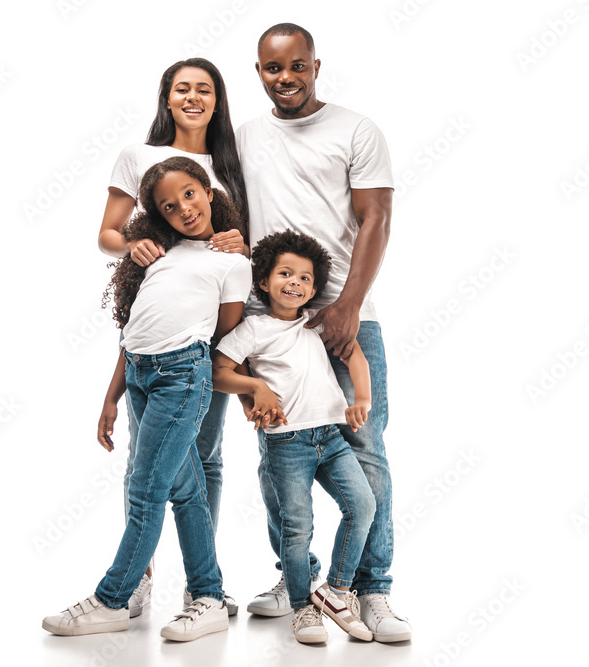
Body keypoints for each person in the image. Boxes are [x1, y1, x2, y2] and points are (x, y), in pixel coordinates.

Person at [236, 23, 412, 642]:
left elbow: (377, 216)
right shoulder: (245, 137)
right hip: (273, 323)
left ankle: (372, 591)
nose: (285, 79)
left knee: (365, 453)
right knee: (278, 455)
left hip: (345, 318)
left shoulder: (356, 130)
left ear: (315, 66)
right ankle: (298, 581)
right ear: (258, 70)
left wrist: (348, 307)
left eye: (297, 67)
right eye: (272, 69)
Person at [43, 158, 249, 641]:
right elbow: (133, 330)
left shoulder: (233, 261)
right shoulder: (161, 253)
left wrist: (235, 384)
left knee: (146, 489)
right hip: (139, 374)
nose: (184, 210)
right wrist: (111, 397)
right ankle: (209, 595)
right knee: (185, 489)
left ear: (209, 191)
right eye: (169, 206)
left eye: (190, 196)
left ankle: (113, 598)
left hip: (182, 376)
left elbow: (226, 335)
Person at [95, 57, 247, 615]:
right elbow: (109, 232)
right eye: (181, 88)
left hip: (213, 324)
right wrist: (130, 247)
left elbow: (236, 239)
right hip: (157, 321)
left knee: (204, 456)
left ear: (217, 99)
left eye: (204, 89)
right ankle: (140, 575)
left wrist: (244, 250)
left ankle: (201, 587)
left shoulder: (232, 162)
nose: (192, 97)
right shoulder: (139, 156)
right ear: (166, 97)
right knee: (151, 459)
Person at [213, 230, 376, 644]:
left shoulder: (316, 323)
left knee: (363, 506)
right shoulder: (253, 329)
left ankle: (336, 590)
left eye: (305, 279)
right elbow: (218, 372)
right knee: (297, 528)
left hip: (331, 436)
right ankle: (303, 609)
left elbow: (353, 352)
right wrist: (254, 388)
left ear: (314, 288)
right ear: (264, 281)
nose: (295, 284)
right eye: (285, 273)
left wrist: (362, 399)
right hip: (287, 441)